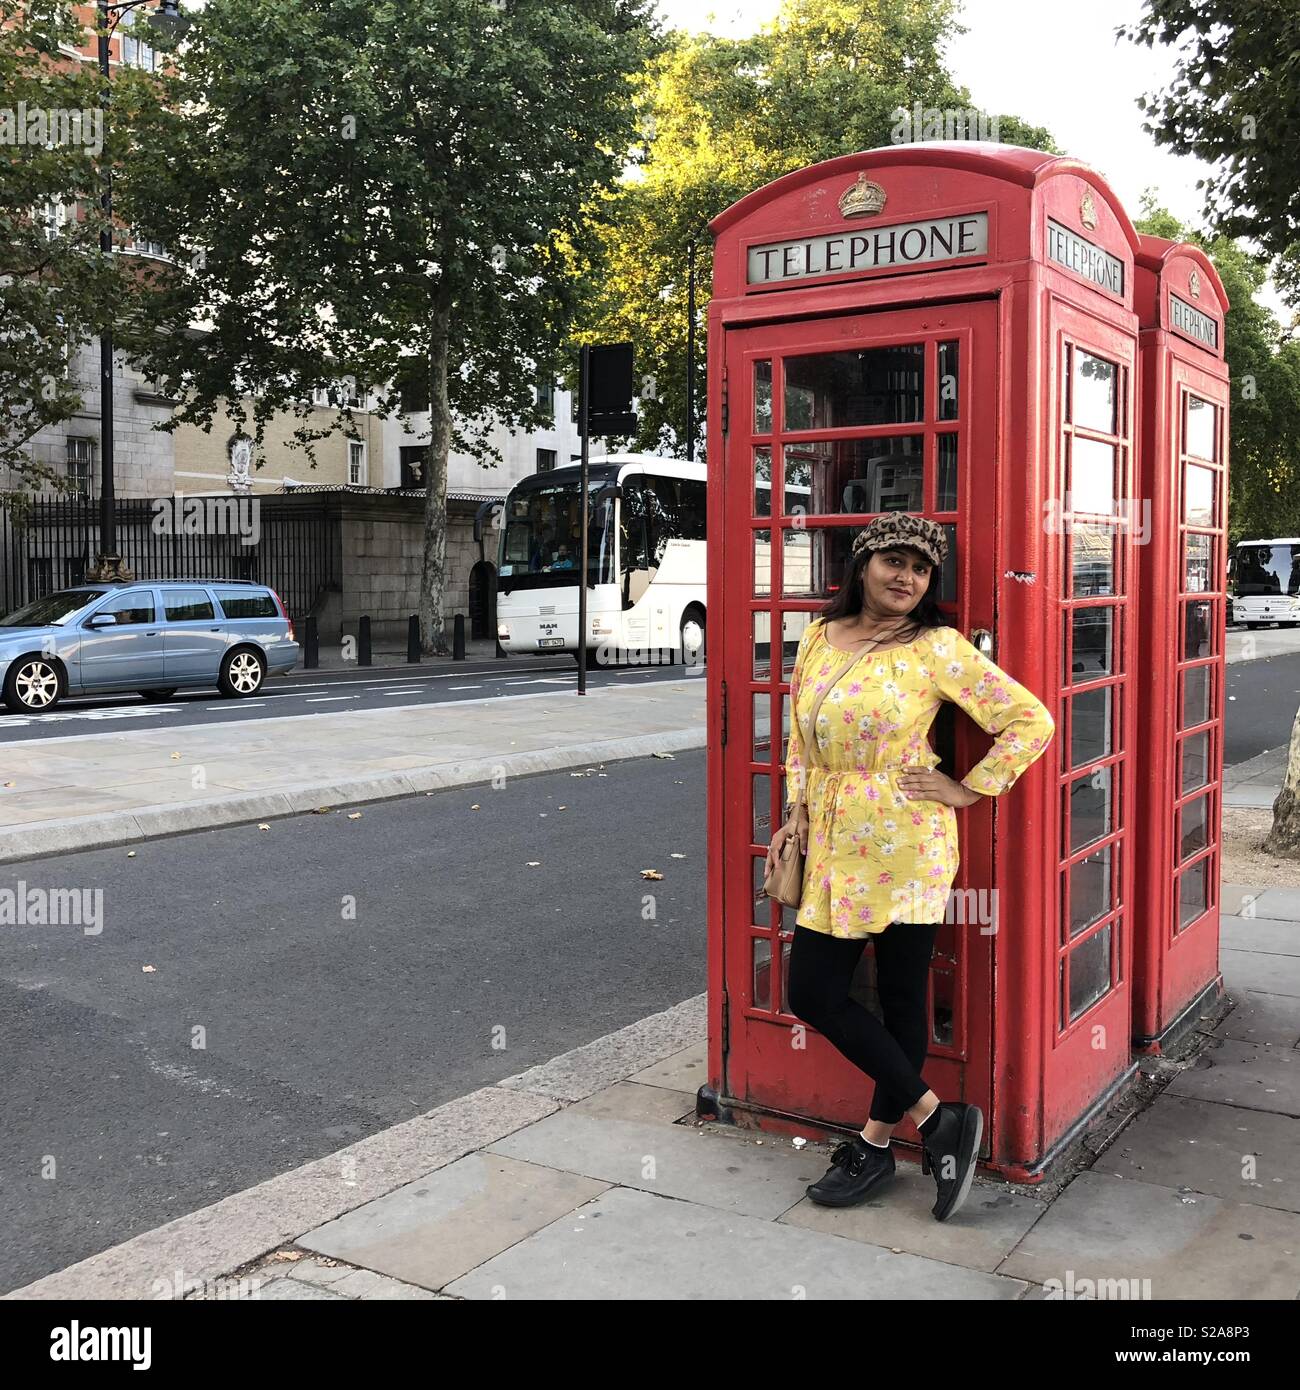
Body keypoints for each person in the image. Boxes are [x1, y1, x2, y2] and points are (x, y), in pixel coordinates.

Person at [765, 513, 1054, 1221]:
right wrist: (797, 811)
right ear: (861, 564)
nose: (905, 576)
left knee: (899, 1000)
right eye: (892, 560)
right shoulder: (816, 639)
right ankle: (937, 1120)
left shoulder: (936, 648)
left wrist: (967, 787)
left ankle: (875, 1142)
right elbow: (799, 737)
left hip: (906, 841)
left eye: (920, 568)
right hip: (833, 838)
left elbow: (1032, 720)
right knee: (814, 992)